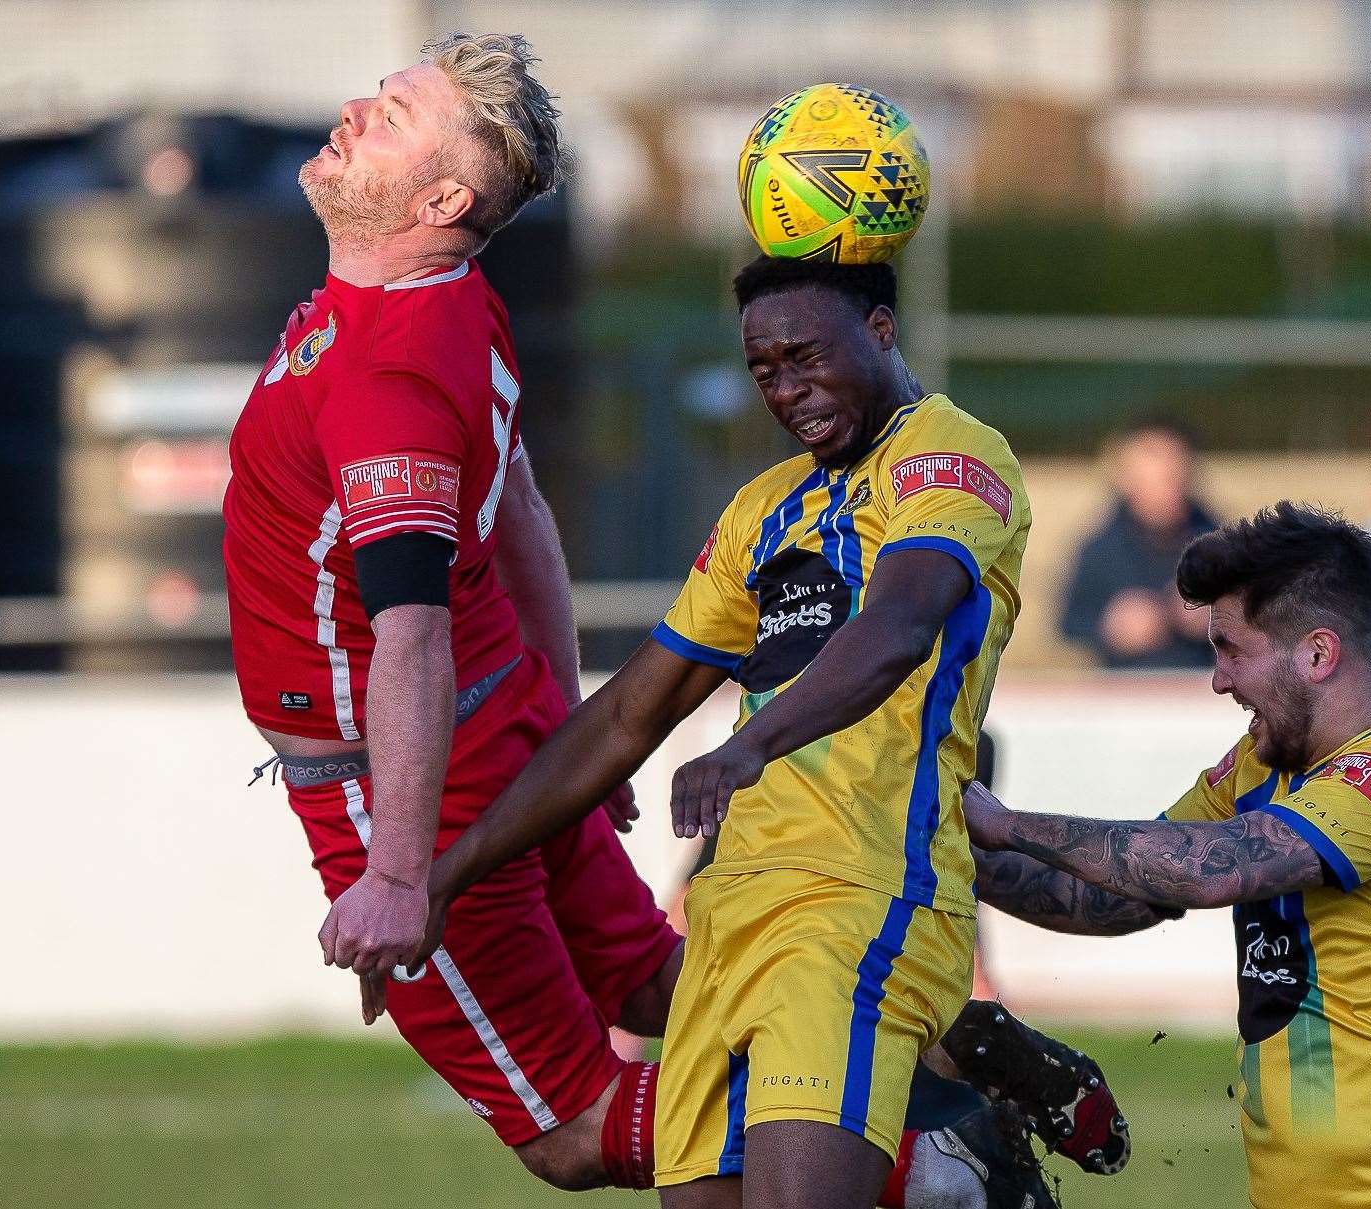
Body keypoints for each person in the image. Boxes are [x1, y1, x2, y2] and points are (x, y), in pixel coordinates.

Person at [381, 253, 1130, 1209]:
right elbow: (625, 714)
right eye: (765, 369)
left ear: (882, 331)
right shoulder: (762, 508)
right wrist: (439, 875)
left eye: (806, 356)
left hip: (861, 895)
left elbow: (897, 627)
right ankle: (944, 1141)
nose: (787, 387)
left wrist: (752, 741)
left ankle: (945, 1142)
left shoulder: (951, 454)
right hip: (726, 919)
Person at [223, 34, 685, 1192]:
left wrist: (392, 872)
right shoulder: (445, 298)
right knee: (651, 989)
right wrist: (573, 733)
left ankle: (919, 1162)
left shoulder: (387, 371)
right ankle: (928, 1052)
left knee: (571, 1129)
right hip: (504, 719)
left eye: (389, 115)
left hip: (414, 781)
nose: (350, 112)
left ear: (439, 197)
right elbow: (520, 504)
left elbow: (410, 632)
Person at [966, 502, 1371, 1209]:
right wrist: (937, 842)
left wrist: (1004, 823)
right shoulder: (1262, 768)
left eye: (1231, 650)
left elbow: (1210, 866)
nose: (1217, 679)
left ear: (1317, 653)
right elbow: (1115, 894)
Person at [1060, 421, 1218, 668]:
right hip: (1126, 693)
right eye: (1154, 482)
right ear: (1127, 482)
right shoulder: (1100, 548)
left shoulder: (1222, 542)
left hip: (1205, 690)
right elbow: (1070, 621)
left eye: (1174, 479)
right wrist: (1112, 625)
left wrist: (1222, 615)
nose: (1166, 493)